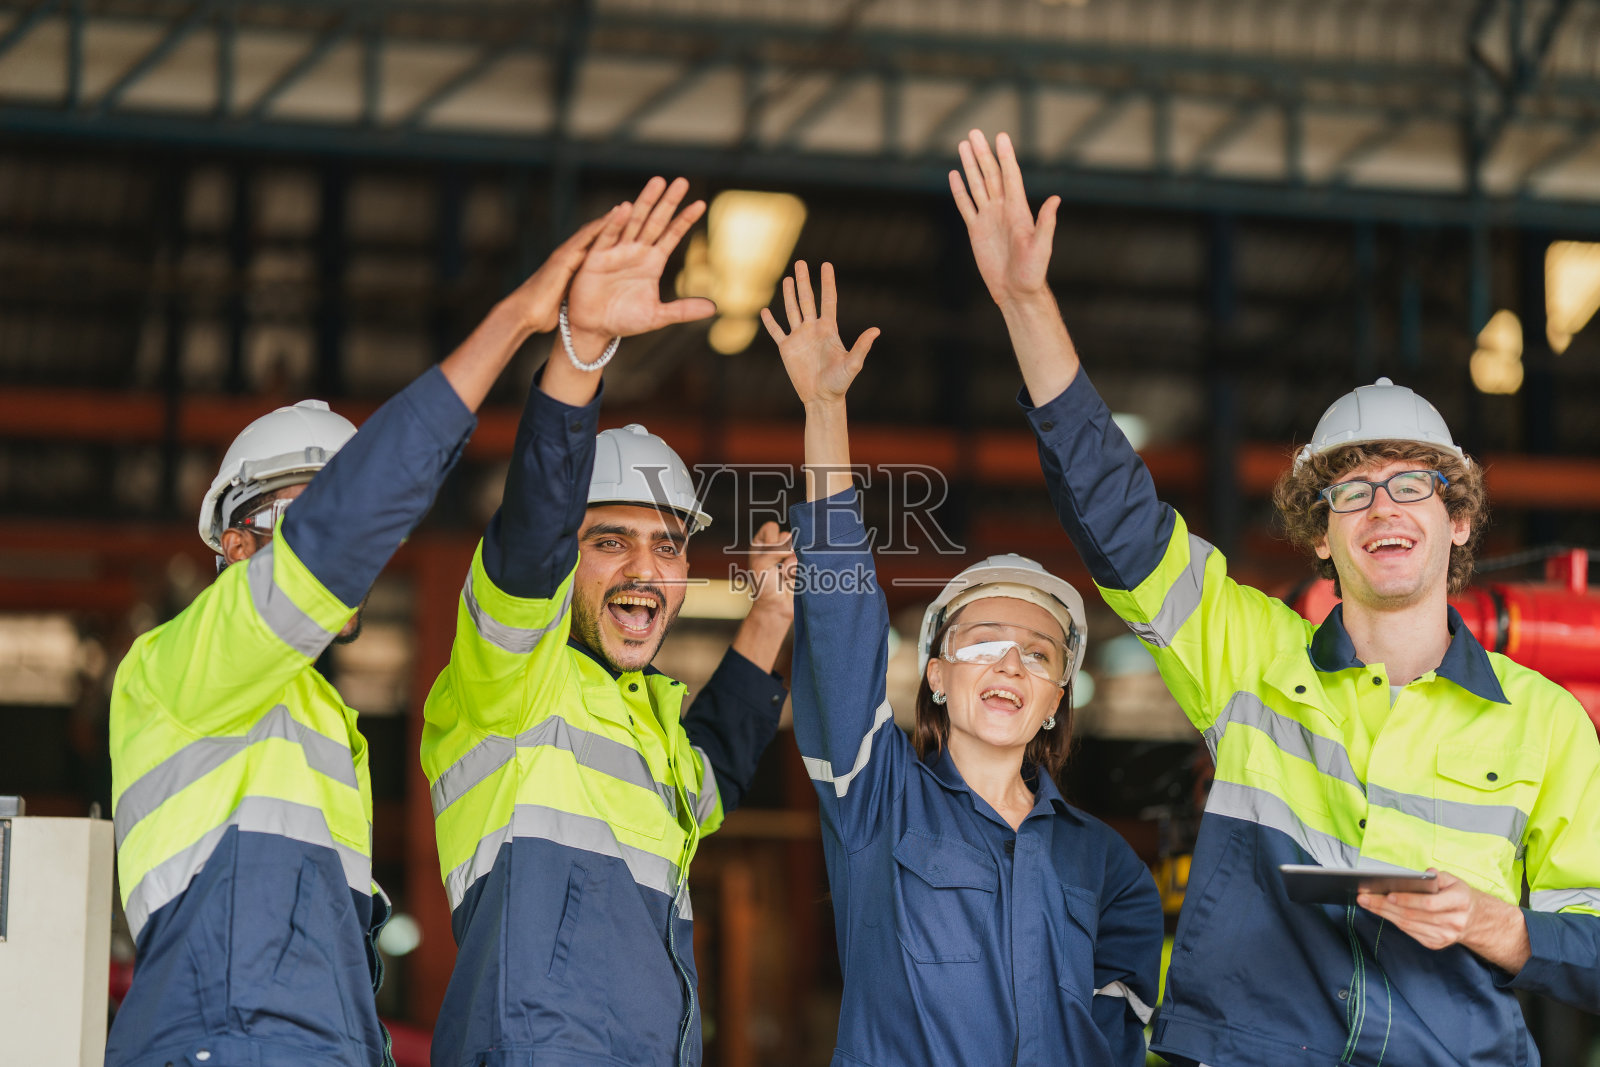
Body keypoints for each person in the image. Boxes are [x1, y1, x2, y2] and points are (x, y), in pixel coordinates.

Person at [950, 127, 1600, 1066]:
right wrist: (1024, 301)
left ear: (1458, 520)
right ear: (1321, 533)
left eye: (1412, 485)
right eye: (1352, 491)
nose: (1384, 507)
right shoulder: (1250, 658)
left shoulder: (1545, 725)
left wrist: (1498, 924)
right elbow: (1118, 516)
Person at [105, 210, 618, 1067]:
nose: (356, 551)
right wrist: (515, 326)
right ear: (236, 545)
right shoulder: (174, 669)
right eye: (306, 513)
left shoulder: (327, 726)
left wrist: (582, 353)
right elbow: (340, 532)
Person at [422, 176, 796, 1067]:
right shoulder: (512, 674)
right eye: (610, 541)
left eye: (668, 546)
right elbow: (533, 525)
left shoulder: (649, 730)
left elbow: (716, 768)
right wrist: (581, 350)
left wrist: (771, 615)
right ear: (565, 558)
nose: (644, 570)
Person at [763, 259, 1162, 1066]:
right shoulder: (877, 802)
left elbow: (1117, 1041)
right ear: (938, 677)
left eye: (1037, 653)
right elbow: (841, 633)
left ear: (1057, 695)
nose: (1009, 662)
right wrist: (825, 412)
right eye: (981, 641)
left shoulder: (1108, 867)